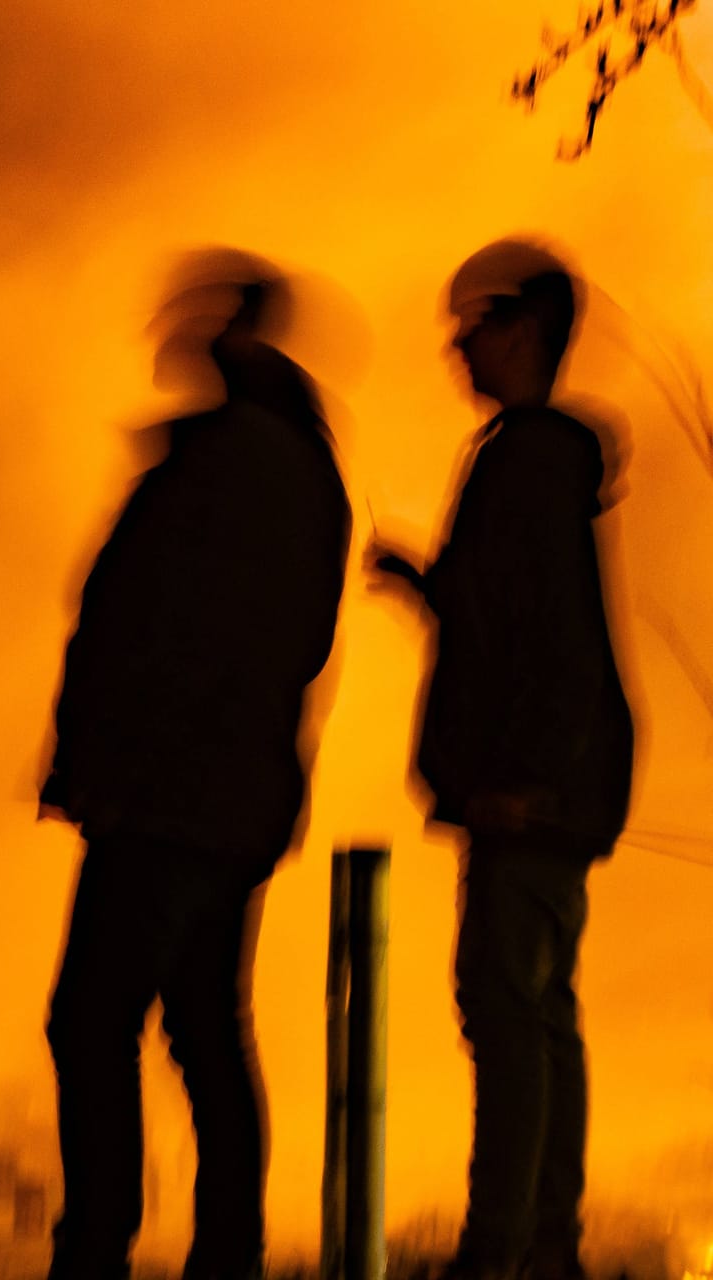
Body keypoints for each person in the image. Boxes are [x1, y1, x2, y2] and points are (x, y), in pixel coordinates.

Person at [40, 255, 351, 1280]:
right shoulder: (300, 466)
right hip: (232, 792)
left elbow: (149, 626)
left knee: (92, 1016)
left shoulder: (225, 463)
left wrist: (104, 760)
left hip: (168, 794)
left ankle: (98, 1245)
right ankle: (229, 1249)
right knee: (206, 1025)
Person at [368, 240, 634, 1280]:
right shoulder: (538, 461)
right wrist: (423, 581)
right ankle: (544, 1242)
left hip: (531, 790)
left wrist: (527, 776)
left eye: (471, 322)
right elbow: (506, 615)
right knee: (537, 1010)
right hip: (551, 782)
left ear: (522, 329)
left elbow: (543, 637)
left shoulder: (525, 457)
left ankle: (505, 1248)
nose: (455, 346)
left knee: (507, 1008)